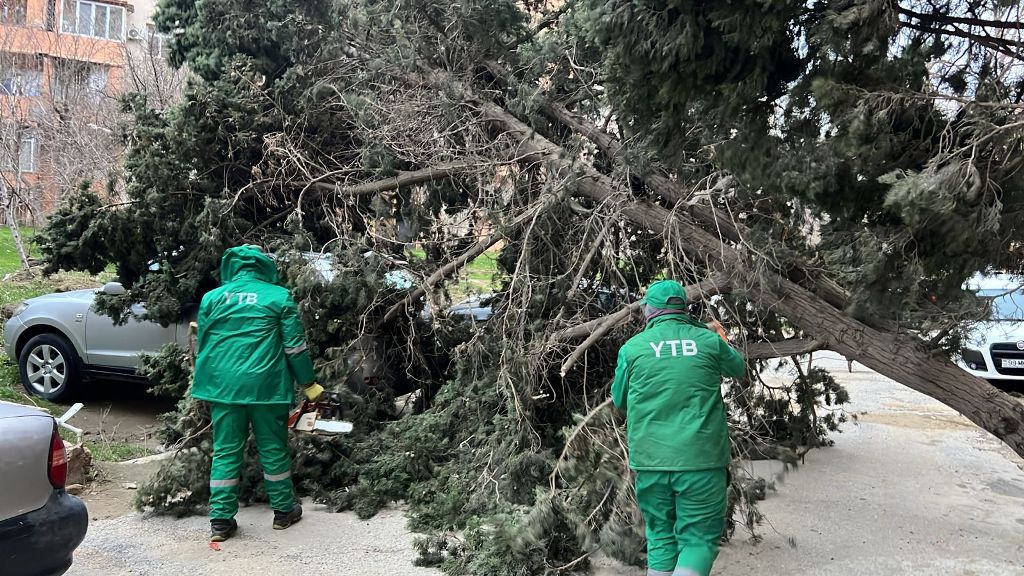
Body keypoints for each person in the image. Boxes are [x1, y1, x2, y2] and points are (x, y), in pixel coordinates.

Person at [611, 280, 745, 576]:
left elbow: (619, 400)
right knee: (697, 540)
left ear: (649, 311)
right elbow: (739, 370)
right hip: (701, 460)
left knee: (660, 536)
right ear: (684, 309)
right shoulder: (708, 341)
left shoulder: (632, 349)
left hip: (651, 462)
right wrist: (720, 337)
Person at [192, 245, 324, 542]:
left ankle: (221, 522)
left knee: (226, 450)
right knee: (273, 448)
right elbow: (294, 347)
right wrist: (308, 383)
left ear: (232, 266)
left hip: (223, 389)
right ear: (265, 266)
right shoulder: (278, 297)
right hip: (266, 387)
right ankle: (283, 511)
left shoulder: (212, 299)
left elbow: (206, 344)